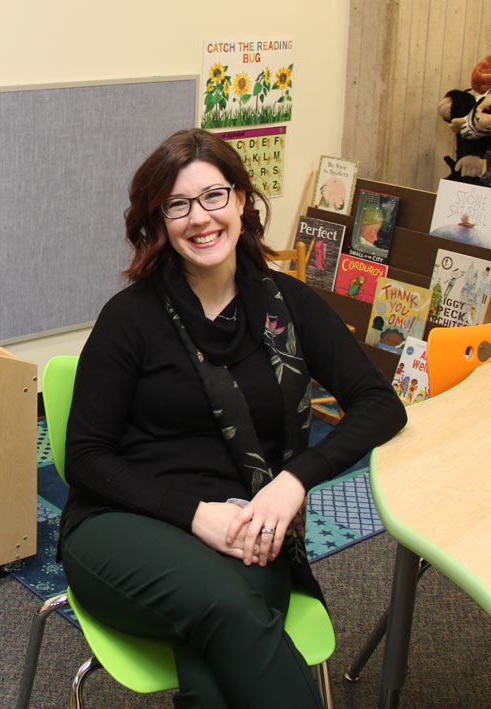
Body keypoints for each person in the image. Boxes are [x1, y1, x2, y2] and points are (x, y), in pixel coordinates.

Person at [59, 128, 407, 708]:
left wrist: (291, 483)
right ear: (160, 221)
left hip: (249, 529)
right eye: (177, 205)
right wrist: (195, 516)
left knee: (217, 661)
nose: (200, 219)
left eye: (214, 196)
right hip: (122, 523)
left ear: (243, 200)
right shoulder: (131, 318)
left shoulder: (290, 306)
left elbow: (379, 404)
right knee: (228, 610)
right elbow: (86, 459)